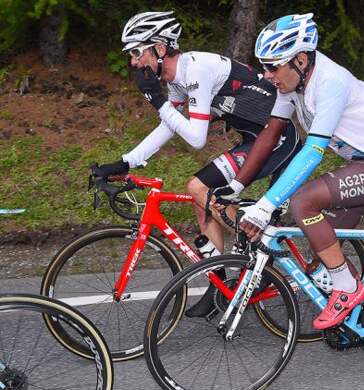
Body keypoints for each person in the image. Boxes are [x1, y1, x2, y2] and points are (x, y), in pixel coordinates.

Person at [94, 11, 301, 318]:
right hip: (256, 139)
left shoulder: (196, 71)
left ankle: (253, 244)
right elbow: (169, 125)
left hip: (277, 139)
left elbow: (196, 138)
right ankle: (219, 282)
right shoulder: (178, 78)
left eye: (138, 52)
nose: (134, 63)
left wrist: (155, 99)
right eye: (132, 55)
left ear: (160, 49)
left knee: (198, 187)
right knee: (199, 197)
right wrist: (125, 162)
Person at [239, 13, 364, 330]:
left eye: (272, 66)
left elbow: (314, 150)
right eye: (263, 66)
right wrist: (238, 186)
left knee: (303, 203)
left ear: (300, 60)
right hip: (362, 164)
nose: (266, 75)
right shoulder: (293, 82)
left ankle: (349, 290)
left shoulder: (330, 82)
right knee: (321, 265)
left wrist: (266, 205)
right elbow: (271, 133)